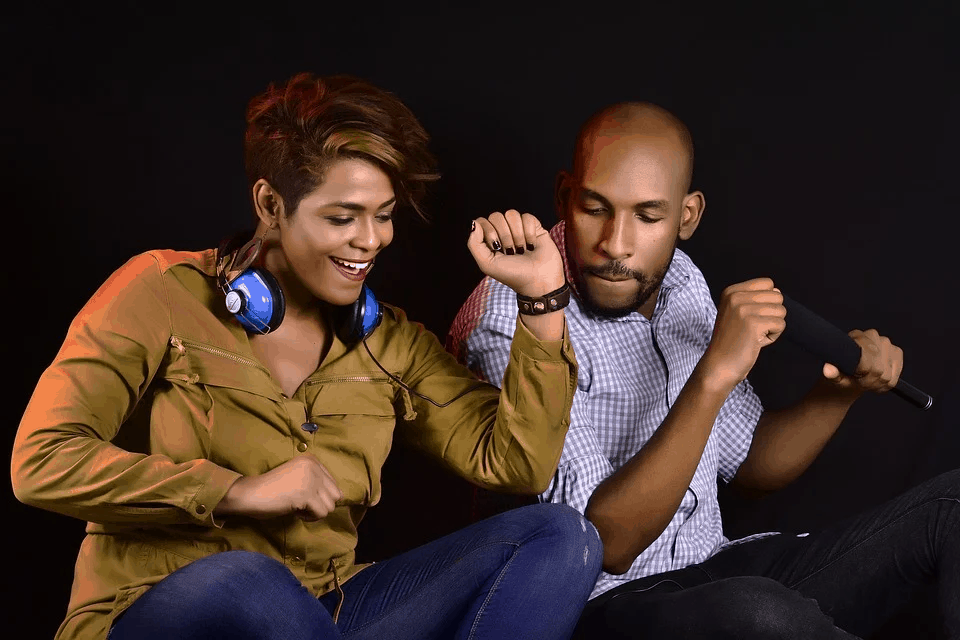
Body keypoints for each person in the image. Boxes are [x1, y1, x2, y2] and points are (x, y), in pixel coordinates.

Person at [11, 72, 602, 640]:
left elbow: (516, 465)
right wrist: (236, 491)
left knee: (559, 536)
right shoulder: (160, 292)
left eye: (385, 215)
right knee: (249, 581)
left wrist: (542, 299)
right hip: (154, 610)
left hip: (324, 611)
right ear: (271, 206)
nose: (370, 241)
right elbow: (40, 461)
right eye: (342, 217)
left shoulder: (391, 343)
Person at [447, 101, 959, 639]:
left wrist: (839, 393)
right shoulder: (511, 317)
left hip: (711, 573)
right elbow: (605, 545)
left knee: (952, 504)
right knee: (759, 613)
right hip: (588, 611)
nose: (615, 246)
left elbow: (754, 463)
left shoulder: (678, 281)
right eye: (595, 208)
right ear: (563, 196)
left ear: (686, 217)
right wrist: (715, 371)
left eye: (648, 217)